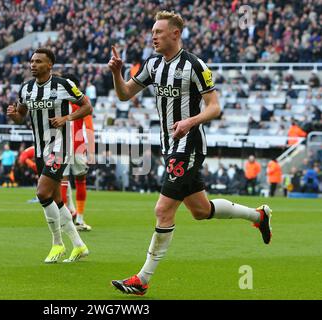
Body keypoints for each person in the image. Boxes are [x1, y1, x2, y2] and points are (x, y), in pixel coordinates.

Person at [107, 11, 272, 296]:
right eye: (152, 32)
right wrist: (116, 73)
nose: (153, 36)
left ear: (175, 34)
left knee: (162, 209)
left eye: (158, 31)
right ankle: (259, 216)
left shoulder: (195, 65)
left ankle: (142, 280)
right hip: (169, 146)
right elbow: (124, 95)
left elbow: (214, 107)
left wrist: (189, 121)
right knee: (200, 210)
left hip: (190, 145)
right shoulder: (153, 65)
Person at [7, 48, 93, 263]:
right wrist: (13, 115)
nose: (33, 65)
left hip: (60, 147)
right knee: (56, 199)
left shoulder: (63, 85)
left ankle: (57, 244)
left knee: (42, 193)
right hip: (40, 149)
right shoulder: (26, 89)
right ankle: (79, 246)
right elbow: (21, 116)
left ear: (49, 65)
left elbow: (87, 106)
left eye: (38, 61)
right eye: (32, 61)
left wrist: (67, 118)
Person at [61, 74, 95, 232]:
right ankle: (78, 218)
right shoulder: (83, 100)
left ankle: (66, 218)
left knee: (63, 182)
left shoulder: (59, 99)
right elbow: (89, 126)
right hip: (77, 147)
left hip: (61, 146)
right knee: (80, 181)